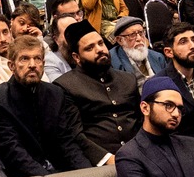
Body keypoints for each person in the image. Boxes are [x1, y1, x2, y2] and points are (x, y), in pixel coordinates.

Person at [0, 36, 90, 177]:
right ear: (11, 66)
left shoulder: (56, 93)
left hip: (62, 172)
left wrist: (88, 174)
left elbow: (67, 142)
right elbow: (13, 152)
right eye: (24, 59)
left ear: (43, 64)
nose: (32, 64)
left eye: (37, 59)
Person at [55, 21, 140, 162]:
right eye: (89, 48)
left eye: (101, 43)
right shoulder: (65, 86)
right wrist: (107, 159)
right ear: (77, 57)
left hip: (140, 154)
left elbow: (141, 120)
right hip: (101, 163)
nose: (99, 49)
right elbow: (75, 134)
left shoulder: (127, 79)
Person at [108, 18, 164, 83]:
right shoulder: (112, 62)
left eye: (141, 33)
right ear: (120, 40)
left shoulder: (158, 57)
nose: (139, 39)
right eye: (132, 35)